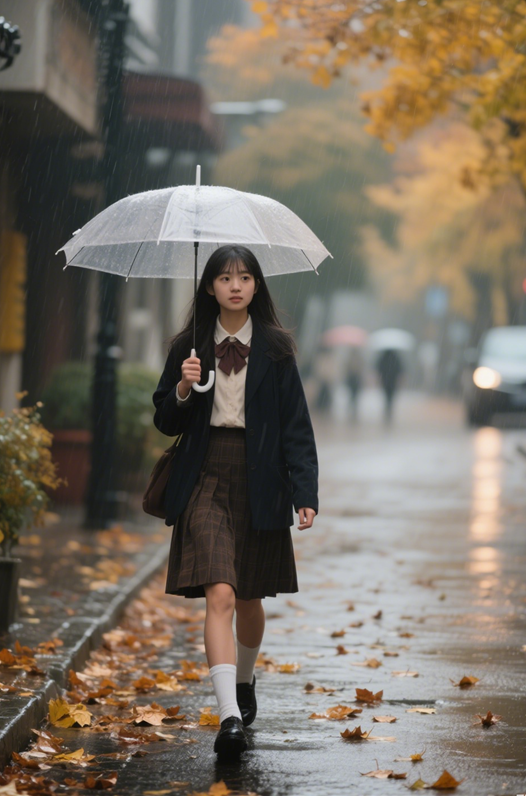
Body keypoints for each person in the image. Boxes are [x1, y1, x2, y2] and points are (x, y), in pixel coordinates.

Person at [152, 244, 319, 760]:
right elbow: (164, 419)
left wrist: (305, 493)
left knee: (249, 598)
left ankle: (244, 681)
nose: (236, 286)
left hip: (262, 478)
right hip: (204, 475)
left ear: (256, 286)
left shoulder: (276, 348)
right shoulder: (190, 343)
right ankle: (228, 718)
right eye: (225, 278)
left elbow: (296, 427)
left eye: (245, 277)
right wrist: (183, 387)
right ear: (210, 287)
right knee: (219, 592)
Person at [376, 348, 403, 423]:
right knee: (391, 397)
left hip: (385, 381)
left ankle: (387, 410)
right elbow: (400, 369)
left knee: (386, 396)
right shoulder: (396, 358)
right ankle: (389, 410)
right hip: (393, 381)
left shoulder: (383, 357)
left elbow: (378, 368)